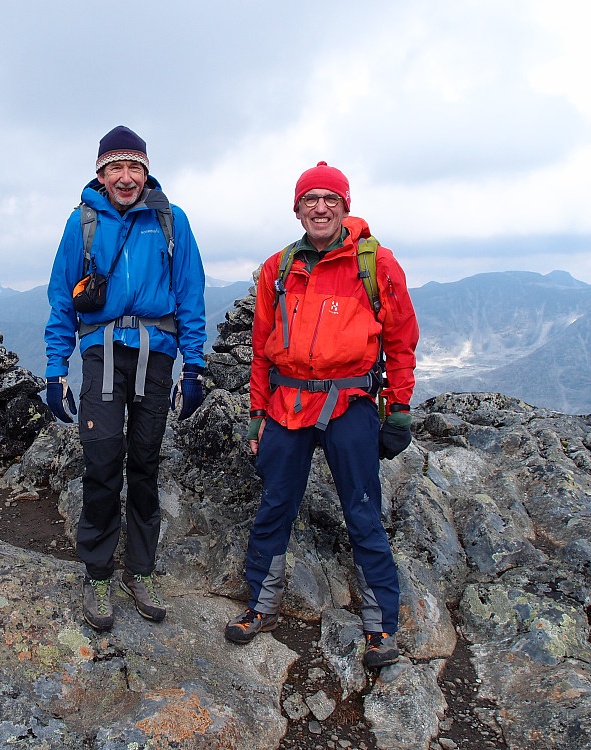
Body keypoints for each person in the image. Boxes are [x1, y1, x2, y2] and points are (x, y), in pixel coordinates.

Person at [224, 161, 419, 669]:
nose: (320, 207)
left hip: (350, 402)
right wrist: (256, 414)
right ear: (297, 208)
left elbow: (400, 342)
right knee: (275, 506)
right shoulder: (280, 267)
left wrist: (398, 410)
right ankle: (262, 606)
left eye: (330, 199)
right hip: (287, 403)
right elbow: (262, 349)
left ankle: (381, 628)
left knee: (361, 510)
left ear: (345, 205)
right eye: (310, 199)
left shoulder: (375, 264)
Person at [44, 126, 207, 631]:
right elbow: (60, 299)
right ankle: (97, 572)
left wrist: (194, 365)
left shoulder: (171, 221)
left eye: (135, 166)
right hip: (101, 353)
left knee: (145, 463)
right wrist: (55, 369)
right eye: (116, 166)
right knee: (101, 458)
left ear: (146, 171)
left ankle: (141, 569)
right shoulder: (83, 224)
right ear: (100, 173)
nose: (126, 176)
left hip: (156, 355)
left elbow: (190, 295)